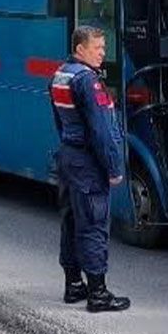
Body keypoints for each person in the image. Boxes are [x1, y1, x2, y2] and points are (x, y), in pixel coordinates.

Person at [50, 25, 130, 313]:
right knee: (94, 224)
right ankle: (98, 293)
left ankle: (73, 285)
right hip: (87, 162)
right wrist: (114, 167)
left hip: (68, 157)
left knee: (71, 221)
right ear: (80, 49)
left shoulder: (61, 74)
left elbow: (59, 121)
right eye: (97, 48)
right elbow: (102, 130)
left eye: (103, 48)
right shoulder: (88, 81)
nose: (102, 53)